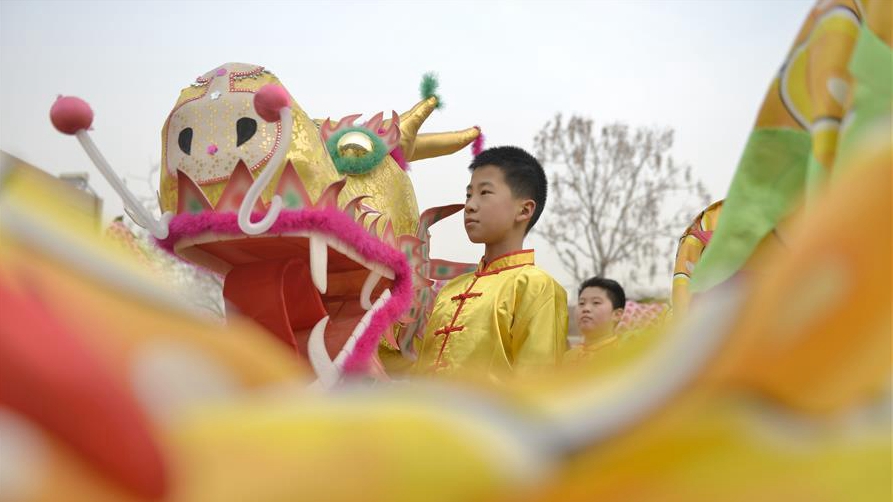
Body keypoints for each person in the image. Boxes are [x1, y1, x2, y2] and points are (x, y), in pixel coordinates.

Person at [413, 146, 568, 379]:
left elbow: (536, 387)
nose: (469, 205)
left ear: (524, 209)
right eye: (468, 195)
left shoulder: (536, 286)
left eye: (484, 193)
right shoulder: (449, 291)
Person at [565, 277, 626, 361]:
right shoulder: (568, 357)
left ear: (617, 315)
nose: (586, 309)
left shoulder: (625, 358)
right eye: (581, 303)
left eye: (596, 302)